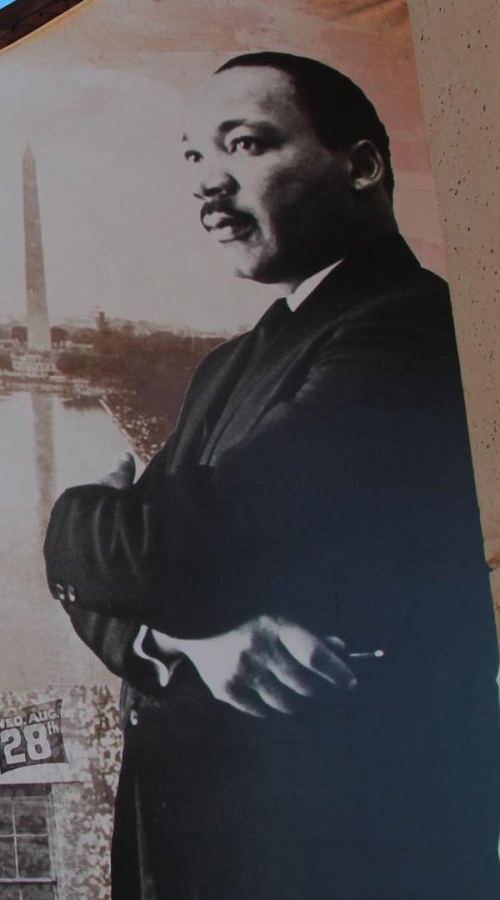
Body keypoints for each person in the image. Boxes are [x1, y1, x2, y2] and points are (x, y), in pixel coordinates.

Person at [43, 51, 500, 899]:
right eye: (192, 158)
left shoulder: (411, 333)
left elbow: (157, 555)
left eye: (245, 145)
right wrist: (188, 639)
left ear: (361, 164)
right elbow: (141, 588)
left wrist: (80, 511)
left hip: (329, 851)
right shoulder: (231, 364)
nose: (206, 185)